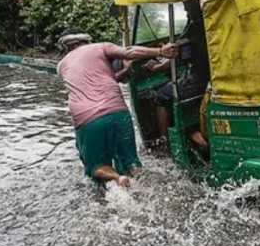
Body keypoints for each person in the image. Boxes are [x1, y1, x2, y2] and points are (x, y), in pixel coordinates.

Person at [57, 30, 177, 187]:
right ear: (87, 41)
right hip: (118, 112)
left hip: (87, 120)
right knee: (132, 163)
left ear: (65, 47)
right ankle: (145, 186)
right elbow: (130, 52)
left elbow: (88, 81)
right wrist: (161, 51)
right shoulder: (101, 47)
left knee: (96, 166)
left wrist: (123, 72)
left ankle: (117, 178)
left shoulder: (61, 66)